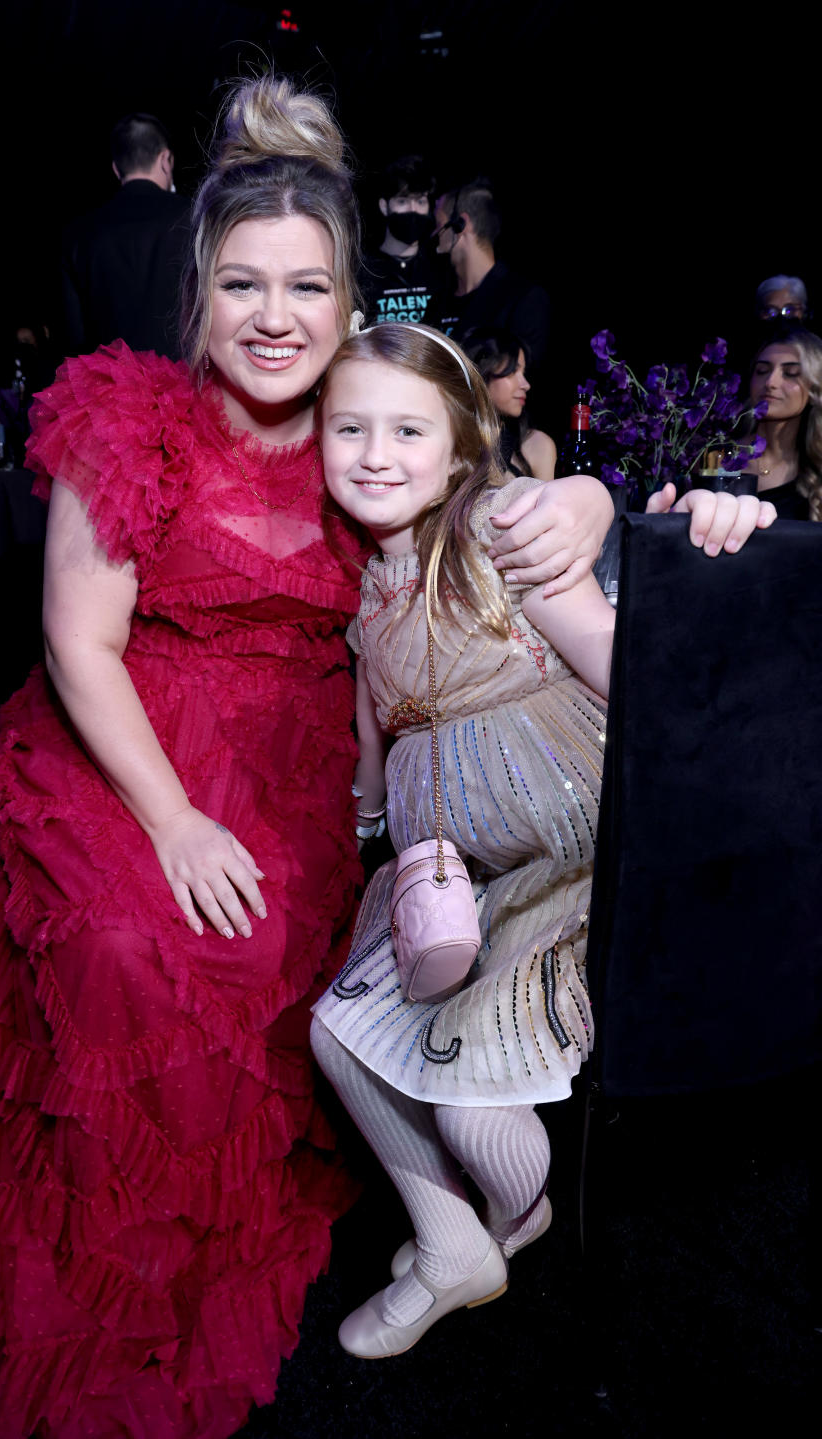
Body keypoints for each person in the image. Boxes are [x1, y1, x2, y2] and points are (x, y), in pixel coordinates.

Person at [0, 76, 627, 1436]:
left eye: (308, 287)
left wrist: (585, 493)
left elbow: (494, 470)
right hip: (134, 737)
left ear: (351, 301)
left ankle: (427, 1199)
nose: (276, 317)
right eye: (245, 284)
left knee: (285, 959)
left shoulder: (368, 434)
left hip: (315, 755)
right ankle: (123, 1259)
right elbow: (78, 642)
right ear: (199, 291)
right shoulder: (129, 415)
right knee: (131, 945)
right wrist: (175, 822)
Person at [309, 322, 777, 1359]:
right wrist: (358, 830)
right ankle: (451, 1242)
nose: (376, 453)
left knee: (475, 1113)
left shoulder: (493, 531)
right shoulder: (367, 590)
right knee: (337, 1036)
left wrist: (691, 543)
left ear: (463, 439)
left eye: (406, 429)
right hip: (450, 870)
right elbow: (375, 747)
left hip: (566, 857)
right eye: (351, 427)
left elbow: (631, 670)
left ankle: (510, 1221)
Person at [60, 111, 191, 357]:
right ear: (165, 160)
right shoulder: (194, 218)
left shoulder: (78, 235)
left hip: (108, 386)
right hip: (183, 382)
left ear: (116, 169)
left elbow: (75, 336)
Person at [432, 180, 550, 367]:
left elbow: (523, 380)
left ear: (462, 224)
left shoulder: (523, 299)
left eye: (439, 224)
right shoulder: (439, 301)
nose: (436, 233)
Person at [742, 329, 822, 521]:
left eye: (790, 373)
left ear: (814, 388)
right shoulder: (716, 455)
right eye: (762, 371)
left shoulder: (816, 468)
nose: (770, 382)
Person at [359, 155, 445, 328]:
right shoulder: (363, 270)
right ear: (384, 206)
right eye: (403, 201)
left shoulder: (441, 270)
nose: (413, 210)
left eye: (420, 201)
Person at [463, 327, 556, 479]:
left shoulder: (536, 445)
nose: (525, 384)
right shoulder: (450, 443)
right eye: (513, 372)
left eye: (524, 373)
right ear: (482, 373)